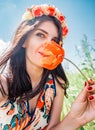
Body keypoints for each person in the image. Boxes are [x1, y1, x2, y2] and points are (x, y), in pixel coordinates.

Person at [0, 4, 95, 130]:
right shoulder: (4, 84)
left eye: (54, 41)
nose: (48, 44)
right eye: (40, 35)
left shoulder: (56, 84)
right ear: (24, 41)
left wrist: (75, 118)